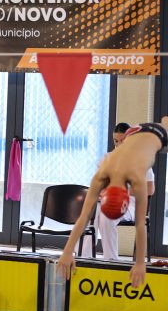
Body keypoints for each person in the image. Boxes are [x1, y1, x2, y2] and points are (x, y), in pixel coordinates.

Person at [57, 116, 168, 287]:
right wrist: (67, 252)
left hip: (158, 134)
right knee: (95, 213)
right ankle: (86, 256)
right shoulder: (103, 171)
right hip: (137, 134)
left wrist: (140, 263)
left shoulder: (136, 177)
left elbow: (140, 224)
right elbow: (84, 217)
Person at [84, 122, 155, 261]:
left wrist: (122, 190)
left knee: (106, 216)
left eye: (123, 141)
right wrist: (103, 192)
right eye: (116, 141)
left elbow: (150, 189)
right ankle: (84, 257)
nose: (119, 145)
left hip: (132, 203)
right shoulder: (107, 158)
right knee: (91, 212)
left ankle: (111, 260)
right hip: (108, 199)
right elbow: (98, 185)